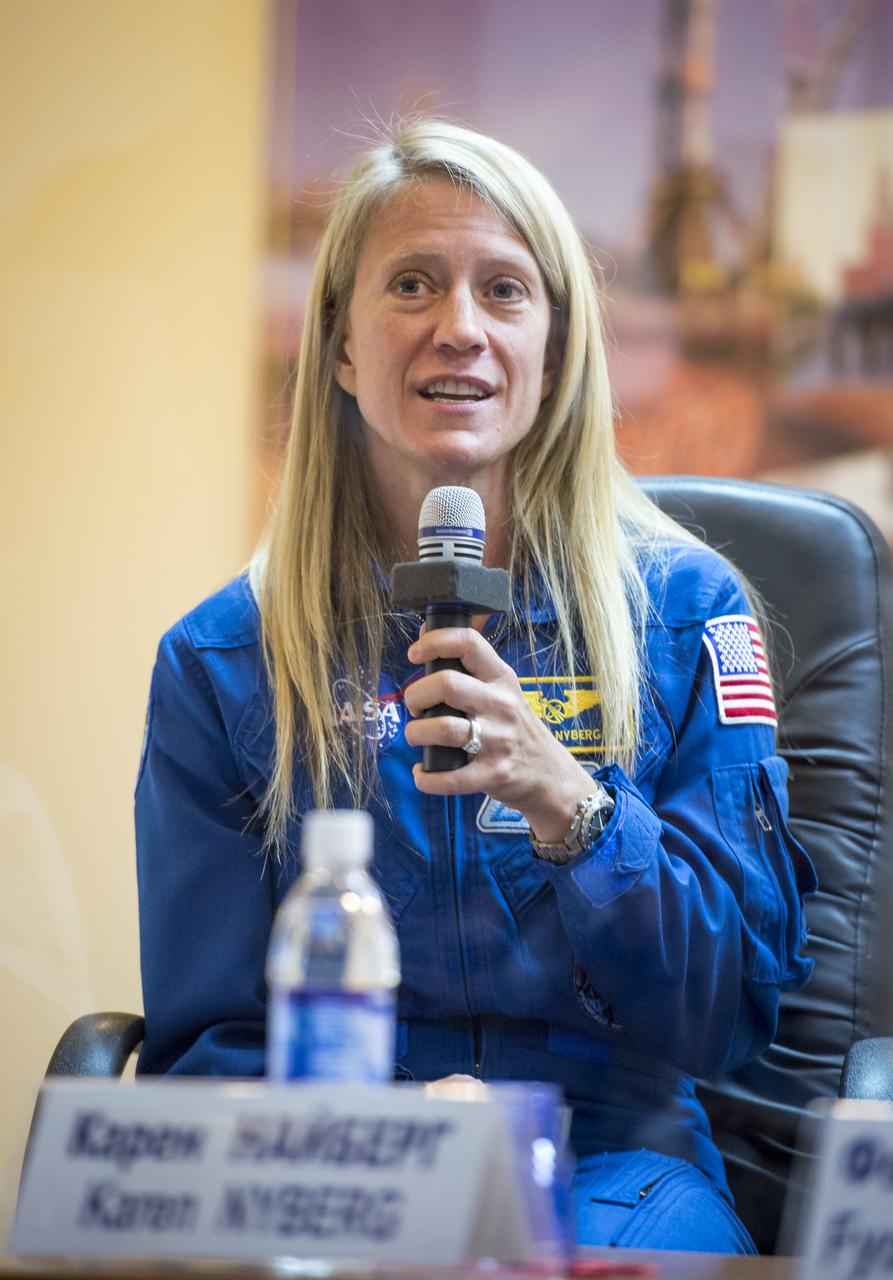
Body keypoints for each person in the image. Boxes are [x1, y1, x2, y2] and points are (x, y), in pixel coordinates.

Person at [135, 119, 816, 1253]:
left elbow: (730, 1011)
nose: (458, 327)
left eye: (503, 290)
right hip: (336, 1172)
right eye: (411, 283)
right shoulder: (220, 659)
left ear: (551, 351)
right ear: (342, 348)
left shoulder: (690, 612)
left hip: (614, 1162)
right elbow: (208, 1045)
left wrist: (578, 811)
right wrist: (385, 1145)